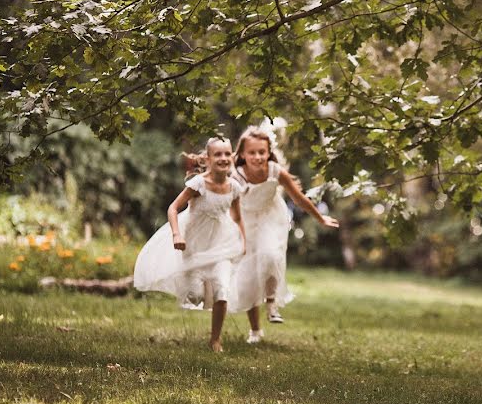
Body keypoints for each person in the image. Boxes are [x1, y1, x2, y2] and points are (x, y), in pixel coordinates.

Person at [133, 137, 246, 352]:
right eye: (217, 154)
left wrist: (244, 241)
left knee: (222, 289)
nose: (223, 158)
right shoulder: (198, 184)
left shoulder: (235, 188)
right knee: (194, 295)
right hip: (193, 245)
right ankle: (198, 291)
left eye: (226, 154)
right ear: (207, 158)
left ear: (232, 157)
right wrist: (177, 235)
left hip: (221, 245)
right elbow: (173, 208)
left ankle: (215, 339)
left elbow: (238, 217)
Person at [229, 123, 339, 344]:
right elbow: (229, 205)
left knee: (270, 256)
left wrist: (320, 217)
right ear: (242, 154)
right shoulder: (237, 176)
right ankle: (255, 331)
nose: (258, 157)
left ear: (269, 152)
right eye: (252, 152)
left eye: (262, 152)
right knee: (250, 274)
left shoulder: (275, 171)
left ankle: (271, 304)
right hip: (245, 221)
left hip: (271, 218)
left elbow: (299, 199)